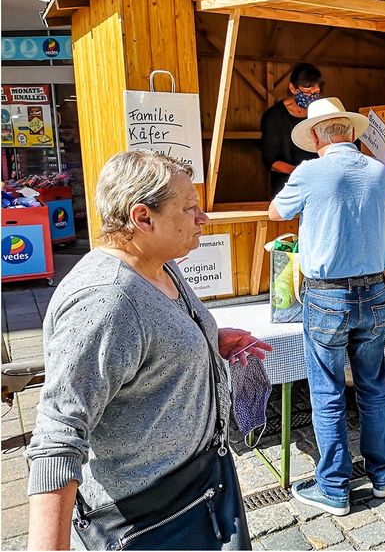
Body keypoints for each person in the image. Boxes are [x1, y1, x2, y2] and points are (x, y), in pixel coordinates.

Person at [26, 151, 271, 550]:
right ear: (143, 218)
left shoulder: (159, 262)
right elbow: (57, 436)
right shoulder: (106, 300)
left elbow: (151, 342)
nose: (203, 217)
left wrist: (206, 342)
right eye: (190, 208)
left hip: (201, 486)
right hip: (150, 519)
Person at [268, 97, 385, 516]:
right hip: (376, 291)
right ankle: (381, 478)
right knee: (374, 387)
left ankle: (335, 488)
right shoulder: (378, 171)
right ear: (351, 132)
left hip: (328, 294)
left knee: (327, 393)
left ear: (318, 134)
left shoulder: (310, 171)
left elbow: (274, 212)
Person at [260, 62, 323, 196]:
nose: (311, 98)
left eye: (316, 93)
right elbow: (271, 161)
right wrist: (301, 173)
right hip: (288, 183)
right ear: (293, 88)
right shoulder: (274, 117)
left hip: (320, 180)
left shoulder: (320, 112)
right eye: (307, 93)